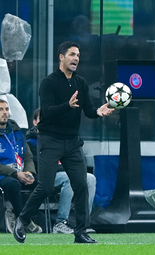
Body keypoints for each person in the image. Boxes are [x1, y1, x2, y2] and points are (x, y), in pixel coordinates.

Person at [13, 41, 114, 244]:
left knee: (81, 185)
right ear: (61, 57)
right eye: (72, 54)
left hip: (72, 143)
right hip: (50, 140)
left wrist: (98, 112)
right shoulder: (48, 83)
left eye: (78, 55)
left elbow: (88, 111)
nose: (76, 58)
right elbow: (47, 111)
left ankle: (80, 232)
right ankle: (22, 220)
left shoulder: (81, 83)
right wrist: (67, 106)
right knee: (45, 186)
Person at [26, 108, 96, 234]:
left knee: (90, 178)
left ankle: (83, 223)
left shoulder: (60, 138)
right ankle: (60, 222)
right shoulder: (31, 142)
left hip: (62, 172)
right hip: (45, 178)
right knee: (69, 178)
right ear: (35, 122)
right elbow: (40, 164)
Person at [0, 99, 42, 234]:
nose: (5, 113)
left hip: (20, 172)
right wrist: (15, 173)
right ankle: (25, 221)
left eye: (6, 109)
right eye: (1, 110)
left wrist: (29, 171)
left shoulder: (17, 131)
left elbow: (28, 156)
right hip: (4, 175)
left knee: (40, 184)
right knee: (13, 184)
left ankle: (15, 211)